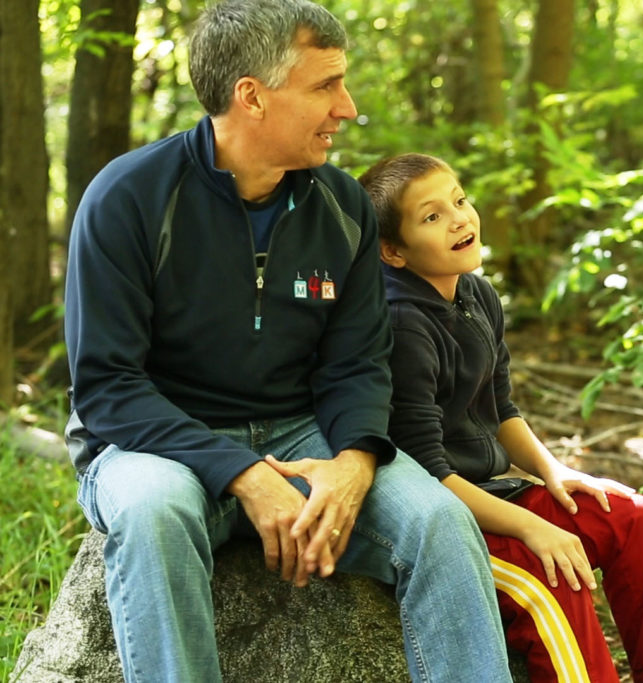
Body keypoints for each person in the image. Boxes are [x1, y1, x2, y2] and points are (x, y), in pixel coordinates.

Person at [62, 3, 512, 682]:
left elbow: (358, 362)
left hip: (307, 434)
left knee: (439, 523)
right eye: (325, 85)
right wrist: (241, 473)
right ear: (253, 96)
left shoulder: (343, 206)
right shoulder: (127, 198)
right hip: (155, 443)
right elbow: (107, 388)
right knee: (153, 513)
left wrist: (357, 457)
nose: (348, 107)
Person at [359, 152, 643, 683]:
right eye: (431, 217)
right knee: (552, 581)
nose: (460, 219)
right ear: (393, 250)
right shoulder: (401, 324)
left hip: (497, 493)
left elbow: (501, 408)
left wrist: (554, 472)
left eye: (459, 200)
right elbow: (429, 475)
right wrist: (534, 528)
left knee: (636, 517)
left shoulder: (476, 294)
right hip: (450, 524)